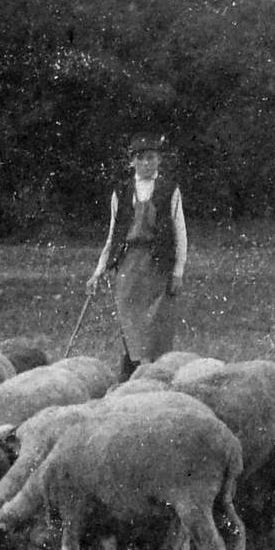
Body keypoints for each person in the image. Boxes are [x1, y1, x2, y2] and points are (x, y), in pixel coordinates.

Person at [86, 134, 188, 381]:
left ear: (159, 160)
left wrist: (178, 271)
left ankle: (156, 374)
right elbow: (114, 234)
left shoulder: (169, 189)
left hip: (158, 262)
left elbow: (180, 231)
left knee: (157, 322)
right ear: (132, 162)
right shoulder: (121, 192)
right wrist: (99, 270)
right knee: (130, 319)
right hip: (129, 263)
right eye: (140, 158)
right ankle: (132, 371)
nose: (146, 163)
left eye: (151, 158)